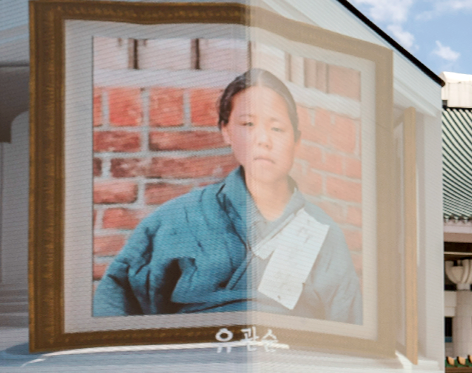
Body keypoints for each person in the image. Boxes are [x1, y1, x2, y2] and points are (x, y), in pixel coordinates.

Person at [93, 68, 363, 322]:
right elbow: (116, 306)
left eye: (277, 128)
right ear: (226, 131)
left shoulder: (322, 231)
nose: (263, 140)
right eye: (248, 124)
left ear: (296, 140)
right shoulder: (175, 219)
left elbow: (347, 327)